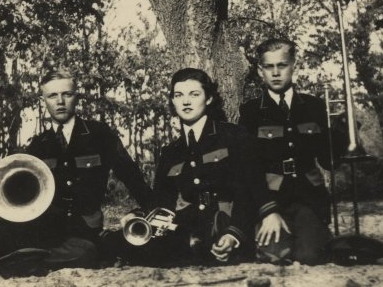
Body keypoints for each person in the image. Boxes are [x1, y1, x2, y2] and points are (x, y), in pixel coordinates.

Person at [0, 69, 153, 275]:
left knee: (85, 254)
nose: (60, 101)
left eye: (66, 94)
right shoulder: (38, 145)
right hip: (41, 228)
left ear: (76, 97)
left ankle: (12, 260)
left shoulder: (100, 134)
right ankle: (16, 258)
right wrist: (4, 213)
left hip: (80, 231)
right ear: (44, 100)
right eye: (52, 95)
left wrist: (152, 210)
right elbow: (22, 196)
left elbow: (132, 176)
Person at [109, 68, 287, 266]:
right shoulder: (171, 151)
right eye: (179, 95)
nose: (186, 102)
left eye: (194, 94)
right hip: (188, 225)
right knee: (119, 243)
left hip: (228, 221)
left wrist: (233, 234)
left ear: (209, 98)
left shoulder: (233, 136)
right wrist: (138, 215)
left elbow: (248, 190)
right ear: (173, 101)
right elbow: (162, 201)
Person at [239, 38, 346, 265]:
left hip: (308, 199)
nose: (276, 72)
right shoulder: (250, 112)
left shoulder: (313, 106)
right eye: (269, 67)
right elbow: (248, 170)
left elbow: (328, 161)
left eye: (282, 65)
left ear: (293, 65)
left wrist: (344, 131)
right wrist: (267, 212)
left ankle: (316, 235)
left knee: (311, 256)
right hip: (271, 200)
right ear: (260, 71)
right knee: (275, 255)